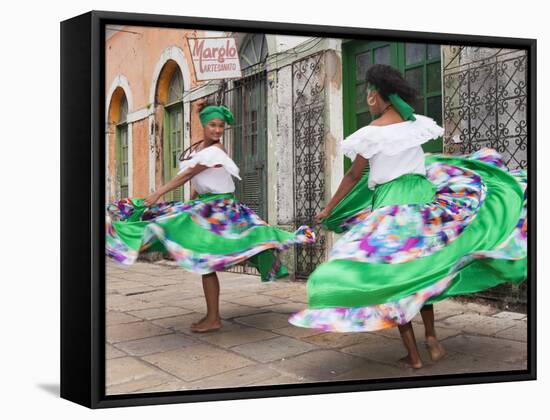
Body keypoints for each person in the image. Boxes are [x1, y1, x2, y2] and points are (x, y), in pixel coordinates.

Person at [289, 64, 527, 369]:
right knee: (421, 270)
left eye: (366, 93)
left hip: (393, 207)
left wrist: (329, 208)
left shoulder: (371, 134)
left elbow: (352, 176)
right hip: (425, 204)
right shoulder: (415, 126)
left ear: (376, 96)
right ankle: (431, 339)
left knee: (394, 278)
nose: (365, 98)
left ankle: (413, 356)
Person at [106, 103, 315, 333]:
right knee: (180, 240)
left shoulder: (216, 151)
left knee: (207, 254)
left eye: (221, 126)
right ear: (203, 125)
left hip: (221, 209)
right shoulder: (197, 150)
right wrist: (192, 199)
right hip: (206, 206)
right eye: (213, 125)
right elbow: (198, 180)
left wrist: (157, 194)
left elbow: (188, 174)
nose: (217, 130)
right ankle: (211, 315)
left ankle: (213, 317)